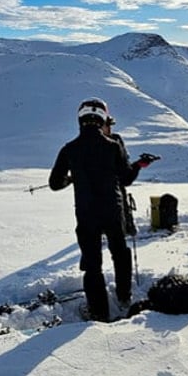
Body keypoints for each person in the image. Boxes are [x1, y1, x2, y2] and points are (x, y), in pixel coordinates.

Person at [49, 99, 154, 321]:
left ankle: (98, 313)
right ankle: (124, 296)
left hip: (86, 213)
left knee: (92, 264)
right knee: (120, 252)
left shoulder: (69, 149)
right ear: (103, 119)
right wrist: (138, 165)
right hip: (113, 211)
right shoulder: (113, 146)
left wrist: (71, 179)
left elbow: (54, 184)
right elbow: (125, 179)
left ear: (81, 120)